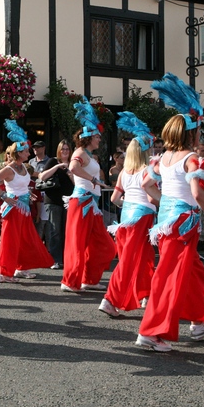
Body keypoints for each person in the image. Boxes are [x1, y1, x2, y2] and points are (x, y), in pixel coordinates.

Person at [136, 73, 204, 352]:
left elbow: (147, 183)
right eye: (198, 130)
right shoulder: (191, 158)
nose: (201, 134)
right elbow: (198, 195)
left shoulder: (162, 158)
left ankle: (199, 322)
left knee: (194, 274)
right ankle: (150, 333)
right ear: (192, 133)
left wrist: (166, 204)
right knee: (169, 277)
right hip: (183, 225)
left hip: (168, 223)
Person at [103, 113, 161, 317]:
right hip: (143, 217)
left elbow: (114, 199)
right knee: (129, 260)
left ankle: (146, 294)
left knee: (144, 257)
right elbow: (153, 198)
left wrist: (129, 204)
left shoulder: (124, 172)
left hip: (126, 219)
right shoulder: (149, 171)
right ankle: (110, 299)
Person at [0, 120, 53, 283]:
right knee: (10, 240)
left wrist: (28, 195)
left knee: (24, 239)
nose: (29, 154)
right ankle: (3, 273)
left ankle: (20, 268)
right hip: (13, 208)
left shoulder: (23, 167)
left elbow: (24, 184)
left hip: (23, 207)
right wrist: (3, 196)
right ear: (20, 152)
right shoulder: (9, 168)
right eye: (26, 152)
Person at [61, 97, 116, 293]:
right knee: (77, 243)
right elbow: (73, 167)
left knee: (105, 245)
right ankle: (69, 281)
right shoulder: (80, 152)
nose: (99, 139)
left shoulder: (90, 155)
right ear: (89, 137)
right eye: (97, 136)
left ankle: (89, 279)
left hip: (90, 203)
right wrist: (93, 181)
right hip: (82, 202)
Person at [38, 140, 74, 269]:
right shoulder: (53, 161)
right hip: (53, 200)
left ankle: (66, 258)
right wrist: (57, 167)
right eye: (63, 149)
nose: (65, 151)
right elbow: (42, 177)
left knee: (66, 231)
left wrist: (70, 172)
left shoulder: (73, 163)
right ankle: (55, 259)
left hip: (68, 201)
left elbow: (78, 183)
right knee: (55, 231)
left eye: (67, 149)